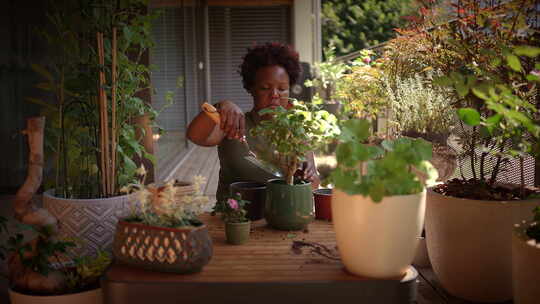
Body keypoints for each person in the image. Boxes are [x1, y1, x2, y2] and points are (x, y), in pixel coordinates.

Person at [186, 42, 320, 203]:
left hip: (281, 217)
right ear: (251, 88)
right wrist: (221, 106)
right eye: (265, 88)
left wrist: (310, 176)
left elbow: (314, 186)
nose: (275, 95)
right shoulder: (234, 124)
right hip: (235, 219)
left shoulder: (297, 130)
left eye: (282, 88)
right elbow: (195, 135)